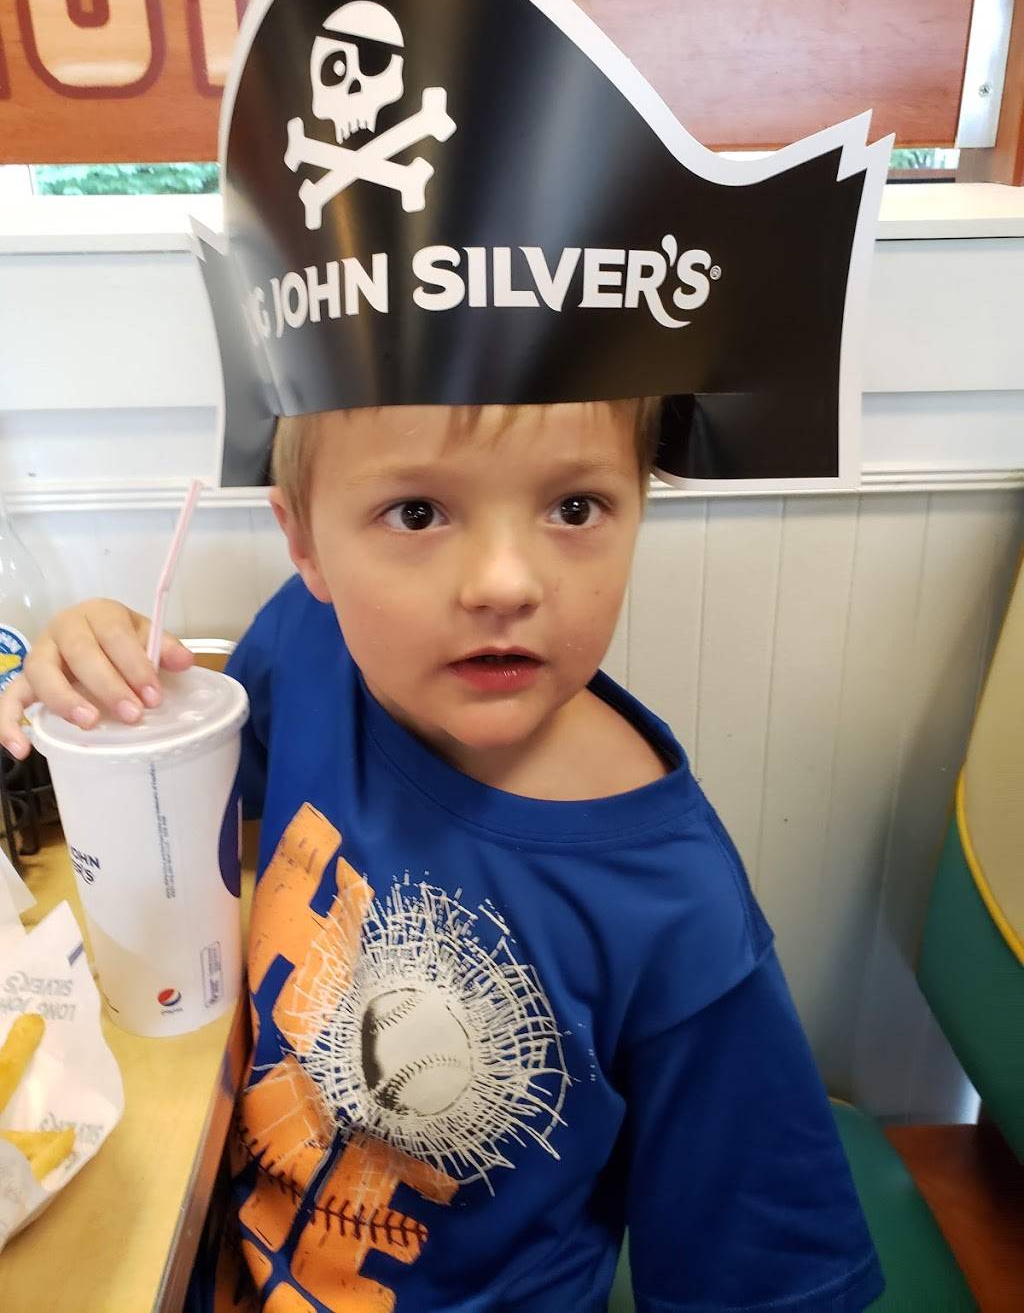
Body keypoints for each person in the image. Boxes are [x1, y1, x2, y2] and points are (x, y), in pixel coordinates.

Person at [0, 396, 885, 1312]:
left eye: (574, 506)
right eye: (417, 512)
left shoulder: (676, 909)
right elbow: (202, 805)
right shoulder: (308, 645)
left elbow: (759, 1281)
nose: (505, 582)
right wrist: (104, 684)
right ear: (305, 543)